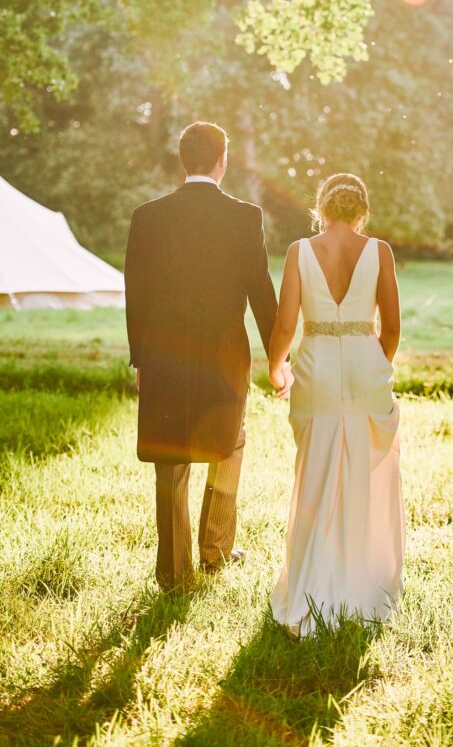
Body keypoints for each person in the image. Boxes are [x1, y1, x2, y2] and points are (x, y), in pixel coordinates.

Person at [124, 121, 291, 592]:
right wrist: (278, 360)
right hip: (225, 356)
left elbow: (135, 293)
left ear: (183, 160)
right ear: (223, 161)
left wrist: (140, 360)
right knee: (230, 441)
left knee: (169, 454)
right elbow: (261, 293)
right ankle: (216, 549)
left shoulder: (148, 216)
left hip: (162, 354)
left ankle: (175, 571)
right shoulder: (244, 216)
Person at [269, 173, 405, 636]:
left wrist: (276, 366)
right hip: (367, 367)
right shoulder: (380, 251)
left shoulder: (299, 251)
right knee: (365, 470)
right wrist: (374, 364)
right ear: (361, 211)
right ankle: (362, 578)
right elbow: (392, 327)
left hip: (317, 370)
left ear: (321, 209)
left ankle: (312, 582)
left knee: (316, 469)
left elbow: (285, 322)